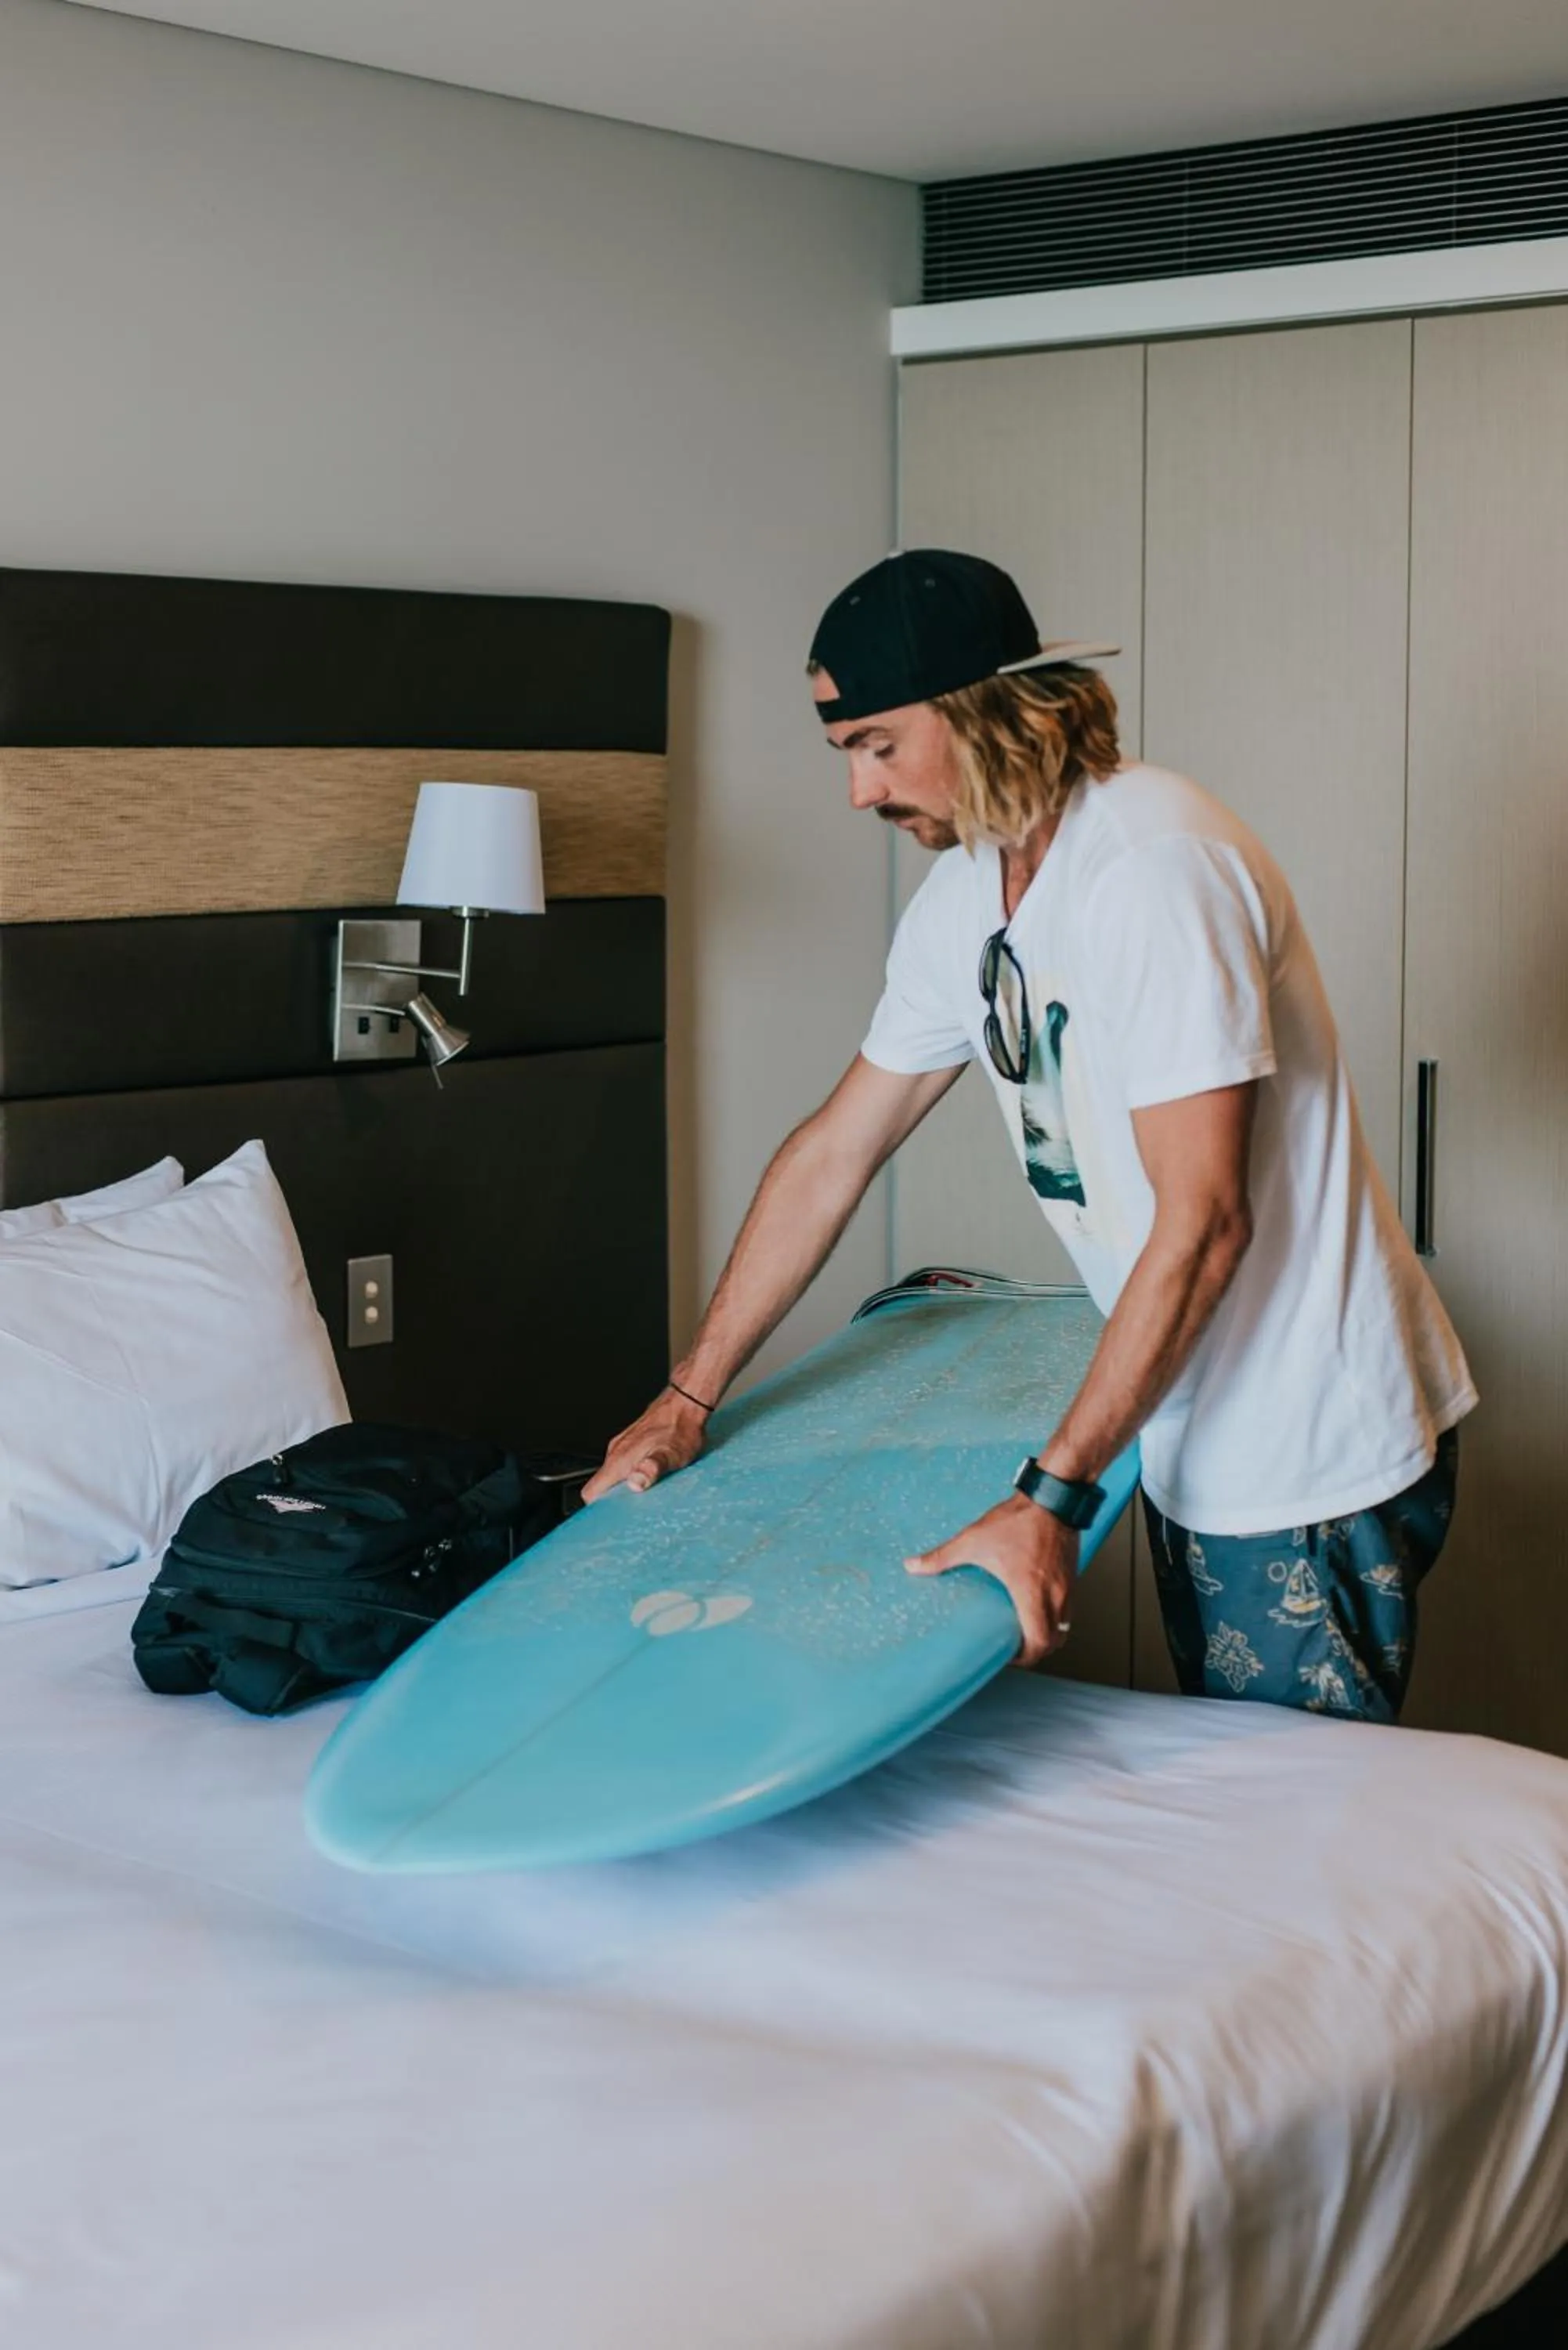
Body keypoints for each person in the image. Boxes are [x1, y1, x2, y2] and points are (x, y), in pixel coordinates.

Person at [584, 549, 1476, 1723]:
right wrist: (685, 1398)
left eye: (877, 746)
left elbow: (1205, 1221)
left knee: (1279, 1822)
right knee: (1228, 1773)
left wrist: (1048, 1499)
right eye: (844, 752)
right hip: (1200, 1413)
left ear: (981, 709)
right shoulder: (967, 894)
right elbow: (835, 1150)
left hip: (1305, 1433)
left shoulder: (1153, 871)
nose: (859, 793)